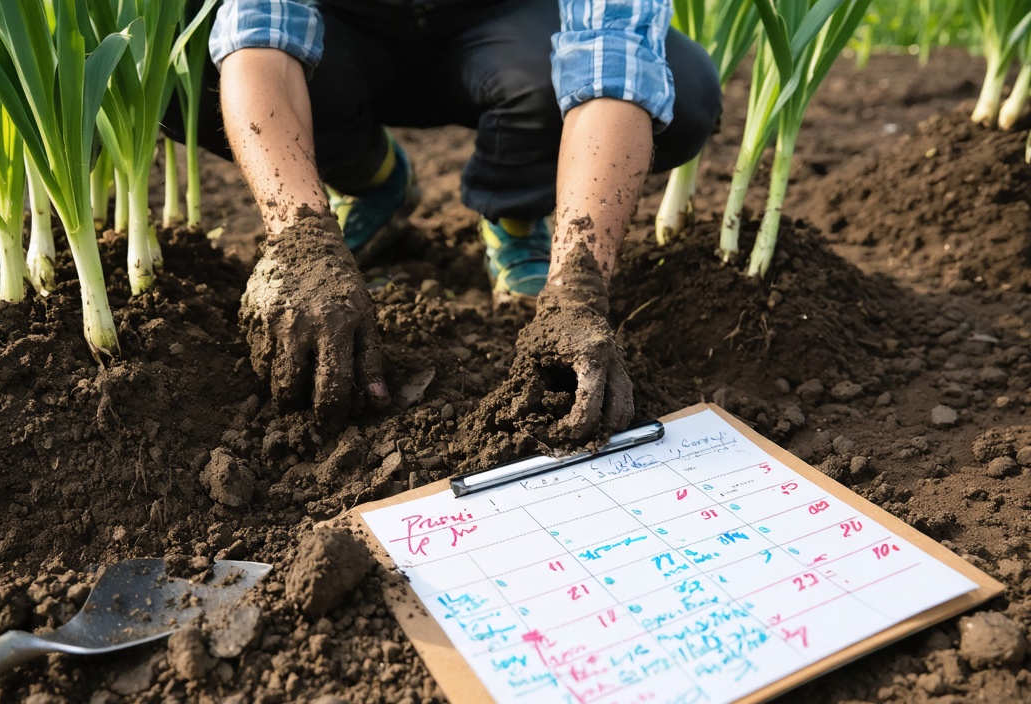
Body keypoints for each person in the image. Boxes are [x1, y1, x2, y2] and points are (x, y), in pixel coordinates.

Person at [164, 0, 721, 439]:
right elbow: (260, 23)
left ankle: (515, 210)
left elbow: (614, 52)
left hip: (509, 29)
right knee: (175, 64)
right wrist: (302, 242)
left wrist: (578, 294)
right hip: (346, 32)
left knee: (683, 89)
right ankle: (369, 177)